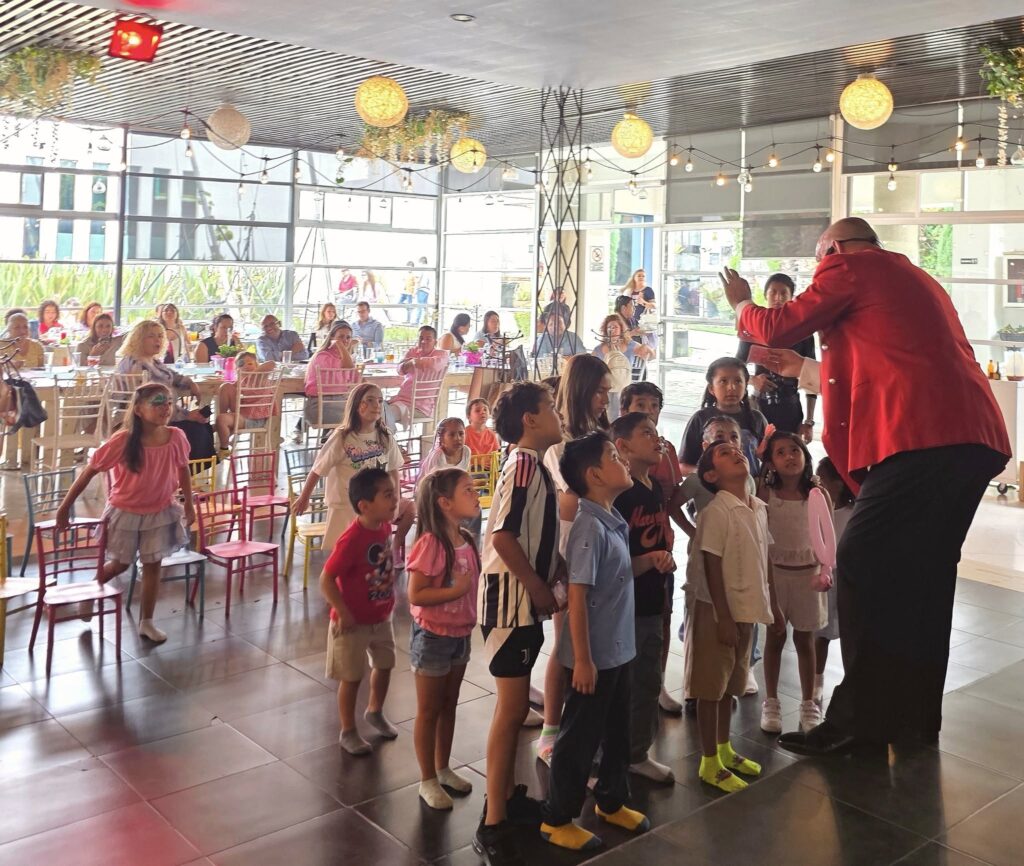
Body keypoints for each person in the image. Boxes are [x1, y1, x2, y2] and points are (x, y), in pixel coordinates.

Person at [719, 216, 1010, 754]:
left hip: (921, 440)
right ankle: (915, 719)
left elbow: (779, 323)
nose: (818, 270)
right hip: (970, 440)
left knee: (860, 561)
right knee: (924, 578)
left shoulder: (852, 266)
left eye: (818, 258)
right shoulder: (912, 278)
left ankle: (861, 724)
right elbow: (879, 369)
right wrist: (804, 369)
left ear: (835, 248)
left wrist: (741, 303)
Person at [540, 431, 649, 851]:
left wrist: (650, 561)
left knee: (618, 731)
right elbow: (579, 596)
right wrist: (582, 660)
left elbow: (614, 578)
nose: (623, 461)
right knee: (579, 737)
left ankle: (611, 800)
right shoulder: (589, 526)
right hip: (595, 656)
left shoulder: (612, 518)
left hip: (618, 649)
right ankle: (557, 818)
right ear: (595, 476)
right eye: (614, 457)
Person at [474, 381, 564, 866]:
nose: (557, 413)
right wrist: (535, 585)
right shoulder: (524, 464)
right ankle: (493, 822)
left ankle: (507, 797)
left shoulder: (533, 463)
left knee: (513, 709)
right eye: (550, 407)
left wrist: (553, 570)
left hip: (521, 601)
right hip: (510, 603)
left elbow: (532, 533)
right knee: (511, 711)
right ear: (530, 419)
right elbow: (504, 536)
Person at [55, 383, 194, 644]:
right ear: (139, 410)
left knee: (153, 565)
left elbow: (183, 468)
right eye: (158, 402)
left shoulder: (176, 436)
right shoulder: (123, 440)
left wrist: (189, 503)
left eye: (169, 402)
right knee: (121, 564)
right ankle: (91, 591)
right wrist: (65, 507)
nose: (166, 407)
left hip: (160, 510)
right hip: (125, 512)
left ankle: (147, 621)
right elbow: (89, 472)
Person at [685, 440, 780, 793]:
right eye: (724, 454)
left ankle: (724, 748)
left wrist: (773, 606)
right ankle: (709, 761)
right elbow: (712, 564)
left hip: (745, 609)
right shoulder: (716, 511)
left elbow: (764, 559)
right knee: (711, 687)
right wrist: (723, 617)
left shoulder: (757, 506)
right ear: (711, 475)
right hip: (717, 611)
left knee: (730, 685)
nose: (736, 453)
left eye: (736, 449)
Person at [537, 354, 611, 765]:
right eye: (599, 391)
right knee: (566, 642)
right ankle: (551, 728)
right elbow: (569, 500)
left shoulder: (598, 432)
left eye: (607, 391)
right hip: (568, 547)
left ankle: (583, 728)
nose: (605, 399)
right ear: (582, 389)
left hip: (597, 542)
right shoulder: (560, 441)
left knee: (589, 640)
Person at [407, 468, 481, 808]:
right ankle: (427, 779)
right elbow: (416, 594)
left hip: (460, 633)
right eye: (468, 490)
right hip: (433, 637)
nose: (476, 494)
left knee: (449, 704)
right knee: (429, 710)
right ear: (445, 503)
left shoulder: (466, 539)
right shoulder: (431, 543)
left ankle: (443, 767)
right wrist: (456, 591)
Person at [610, 413, 677, 784]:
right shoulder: (621, 494)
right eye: (646, 433)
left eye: (656, 432)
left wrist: (663, 559)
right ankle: (609, 757)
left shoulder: (653, 488)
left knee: (648, 679)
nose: (657, 439)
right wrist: (649, 560)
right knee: (623, 684)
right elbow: (614, 562)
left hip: (652, 598)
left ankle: (636, 752)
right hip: (625, 603)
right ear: (623, 446)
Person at [679, 415, 761, 703]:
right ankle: (697, 682)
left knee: (739, 622)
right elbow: (673, 505)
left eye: (734, 437)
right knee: (702, 621)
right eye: (719, 439)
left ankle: (737, 673)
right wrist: (694, 532)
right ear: (705, 446)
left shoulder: (748, 483)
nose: (729, 442)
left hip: (738, 567)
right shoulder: (699, 483)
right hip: (706, 560)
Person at [318, 467, 399, 755]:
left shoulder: (384, 526)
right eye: (387, 495)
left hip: (381, 615)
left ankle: (375, 711)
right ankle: (348, 730)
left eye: (394, 493)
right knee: (351, 677)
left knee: (385, 664)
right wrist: (342, 611)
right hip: (351, 622)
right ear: (365, 506)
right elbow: (326, 579)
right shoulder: (351, 539)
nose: (395, 499)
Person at [620, 382, 688, 714]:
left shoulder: (665, 453)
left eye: (654, 406)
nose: (649, 411)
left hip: (661, 550)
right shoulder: (616, 466)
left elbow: (672, 498)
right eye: (640, 405)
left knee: (660, 618)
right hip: (630, 563)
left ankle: (656, 683)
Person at [757, 431, 829, 735]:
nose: (789, 457)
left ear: (805, 455)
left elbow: (827, 537)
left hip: (808, 577)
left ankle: (808, 702)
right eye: (781, 452)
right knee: (775, 638)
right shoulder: (766, 495)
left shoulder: (818, 495)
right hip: (776, 575)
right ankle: (771, 701)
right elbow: (760, 539)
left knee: (805, 640)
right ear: (771, 463)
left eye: (794, 450)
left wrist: (826, 570)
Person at [294, 383, 412, 551]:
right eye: (369, 400)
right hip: (345, 505)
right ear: (357, 405)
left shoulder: (385, 436)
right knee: (344, 550)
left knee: (370, 551)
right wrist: (304, 497)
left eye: (380, 401)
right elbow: (318, 469)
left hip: (375, 505)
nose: (376, 405)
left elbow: (393, 470)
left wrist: (396, 498)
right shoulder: (342, 437)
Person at [736, 274, 816, 441]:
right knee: (758, 449)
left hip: (791, 407)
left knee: (788, 449)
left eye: (783, 293)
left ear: (792, 297)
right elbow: (736, 367)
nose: (778, 298)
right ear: (765, 295)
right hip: (759, 405)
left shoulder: (803, 332)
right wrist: (753, 380)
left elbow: (812, 379)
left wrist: (809, 421)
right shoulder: (754, 327)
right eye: (773, 292)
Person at [679, 357, 769, 476]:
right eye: (723, 381)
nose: (731, 387)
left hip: (749, 486)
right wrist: (705, 473)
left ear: (745, 386)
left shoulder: (757, 418)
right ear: (711, 388)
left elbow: (770, 460)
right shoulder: (700, 418)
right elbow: (681, 466)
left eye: (738, 381)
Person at [813, 456, 854, 708]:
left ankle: (853, 679)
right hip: (826, 578)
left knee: (851, 629)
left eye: (823, 480)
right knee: (821, 633)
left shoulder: (852, 512)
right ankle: (817, 680)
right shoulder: (818, 513)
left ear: (839, 483)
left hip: (847, 578)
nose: (819, 484)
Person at [116, 321, 206, 425]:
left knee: (203, 421)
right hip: (149, 422)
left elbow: (173, 375)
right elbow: (154, 401)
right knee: (200, 426)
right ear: (138, 340)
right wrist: (186, 415)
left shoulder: (152, 361)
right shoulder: (136, 365)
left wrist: (190, 383)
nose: (157, 340)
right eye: (151, 336)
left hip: (165, 415)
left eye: (160, 336)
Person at [0, 313, 44, 469]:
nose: (22, 330)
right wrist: (8, 365)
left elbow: (42, 370)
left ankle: (28, 457)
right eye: (17, 327)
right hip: (7, 392)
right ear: (9, 329)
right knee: (14, 407)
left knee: (34, 406)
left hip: (33, 389)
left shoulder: (37, 346)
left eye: (25, 326)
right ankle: (10, 459)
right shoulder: (2, 345)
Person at [383, 326, 449, 430]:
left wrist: (416, 361)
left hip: (420, 407)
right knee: (374, 409)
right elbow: (400, 370)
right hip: (400, 400)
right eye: (421, 338)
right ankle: (387, 436)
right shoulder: (413, 352)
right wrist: (410, 363)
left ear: (435, 342)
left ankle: (389, 438)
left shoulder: (441, 354)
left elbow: (435, 364)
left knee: (382, 414)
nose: (423, 341)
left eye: (428, 339)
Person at [214, 351, 276, 450]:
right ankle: (223, 426)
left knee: (221, 420)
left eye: (250, 363)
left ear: (256, 365)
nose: (246, 365)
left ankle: (223, 448)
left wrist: (252, 374)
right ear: (237, 368)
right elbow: (229, 391)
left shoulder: (260, 377)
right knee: (225, 387)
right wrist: (242, 378)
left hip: (256, 419)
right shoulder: (242, 382)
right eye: (241, 364)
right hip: (243, 414)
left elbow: (271, 363)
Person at [303, 322, 357, 426]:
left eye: (348, 337)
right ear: (332, 337)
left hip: (340, 403)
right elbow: (348, 366)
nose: (345, 340)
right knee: (361, 419)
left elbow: (356, 379)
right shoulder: (322, 356)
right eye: (341, 336)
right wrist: (340, 345)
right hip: (319, 407)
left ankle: (331, 435)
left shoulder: (343, 357)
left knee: (370, 412)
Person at [415, 257, 432, 324]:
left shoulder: (421, 268)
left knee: (419, 306)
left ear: (421, 262)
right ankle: (426, 321)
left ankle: (417, 321)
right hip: (427, 290)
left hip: (421, 289)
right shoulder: (429, 269)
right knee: (425, 306)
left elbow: (419, 279)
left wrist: (416, 289)